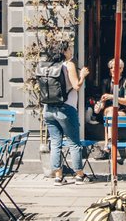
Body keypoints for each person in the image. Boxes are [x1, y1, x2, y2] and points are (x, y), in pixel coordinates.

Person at [38, 43, 89, 184]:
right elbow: (76, 86)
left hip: (48, 109)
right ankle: (79, 175)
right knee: (74, 143)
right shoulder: (68, 65)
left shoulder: (48, 66)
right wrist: (83, 75)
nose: (72, 51)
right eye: (70, 49)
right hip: (66, 108)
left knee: (55, 143)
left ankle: (58, 177)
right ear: (64, 51)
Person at [87, 57, 126, 157]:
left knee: (111, 114)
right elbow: (103, 101)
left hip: (122, 111)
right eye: (111, 67)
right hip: (108, 111)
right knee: (111, 112)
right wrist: (99, 105)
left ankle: (108, 144)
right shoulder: (105, 82)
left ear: (121, 69)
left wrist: (112, 96)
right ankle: (110, 143)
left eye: (116, 68)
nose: (113, 69)